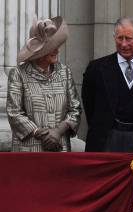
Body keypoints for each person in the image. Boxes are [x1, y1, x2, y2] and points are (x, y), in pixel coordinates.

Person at [82, 17, 133, 152]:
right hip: (104, 140)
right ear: (114, 38)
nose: (124, 44)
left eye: (128, 38)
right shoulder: (97, 68)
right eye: (120, 38)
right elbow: (89, 104)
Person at [6, 16, 82, 152]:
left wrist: (58, 132)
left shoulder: (65, 72)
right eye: (51, 47)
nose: (56, 50)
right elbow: (14, 112)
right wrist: (40, 134)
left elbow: (75, 109)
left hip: (60, 148)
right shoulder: (18, 74)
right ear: (39, 52)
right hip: (29, 151)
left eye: (56, 46)